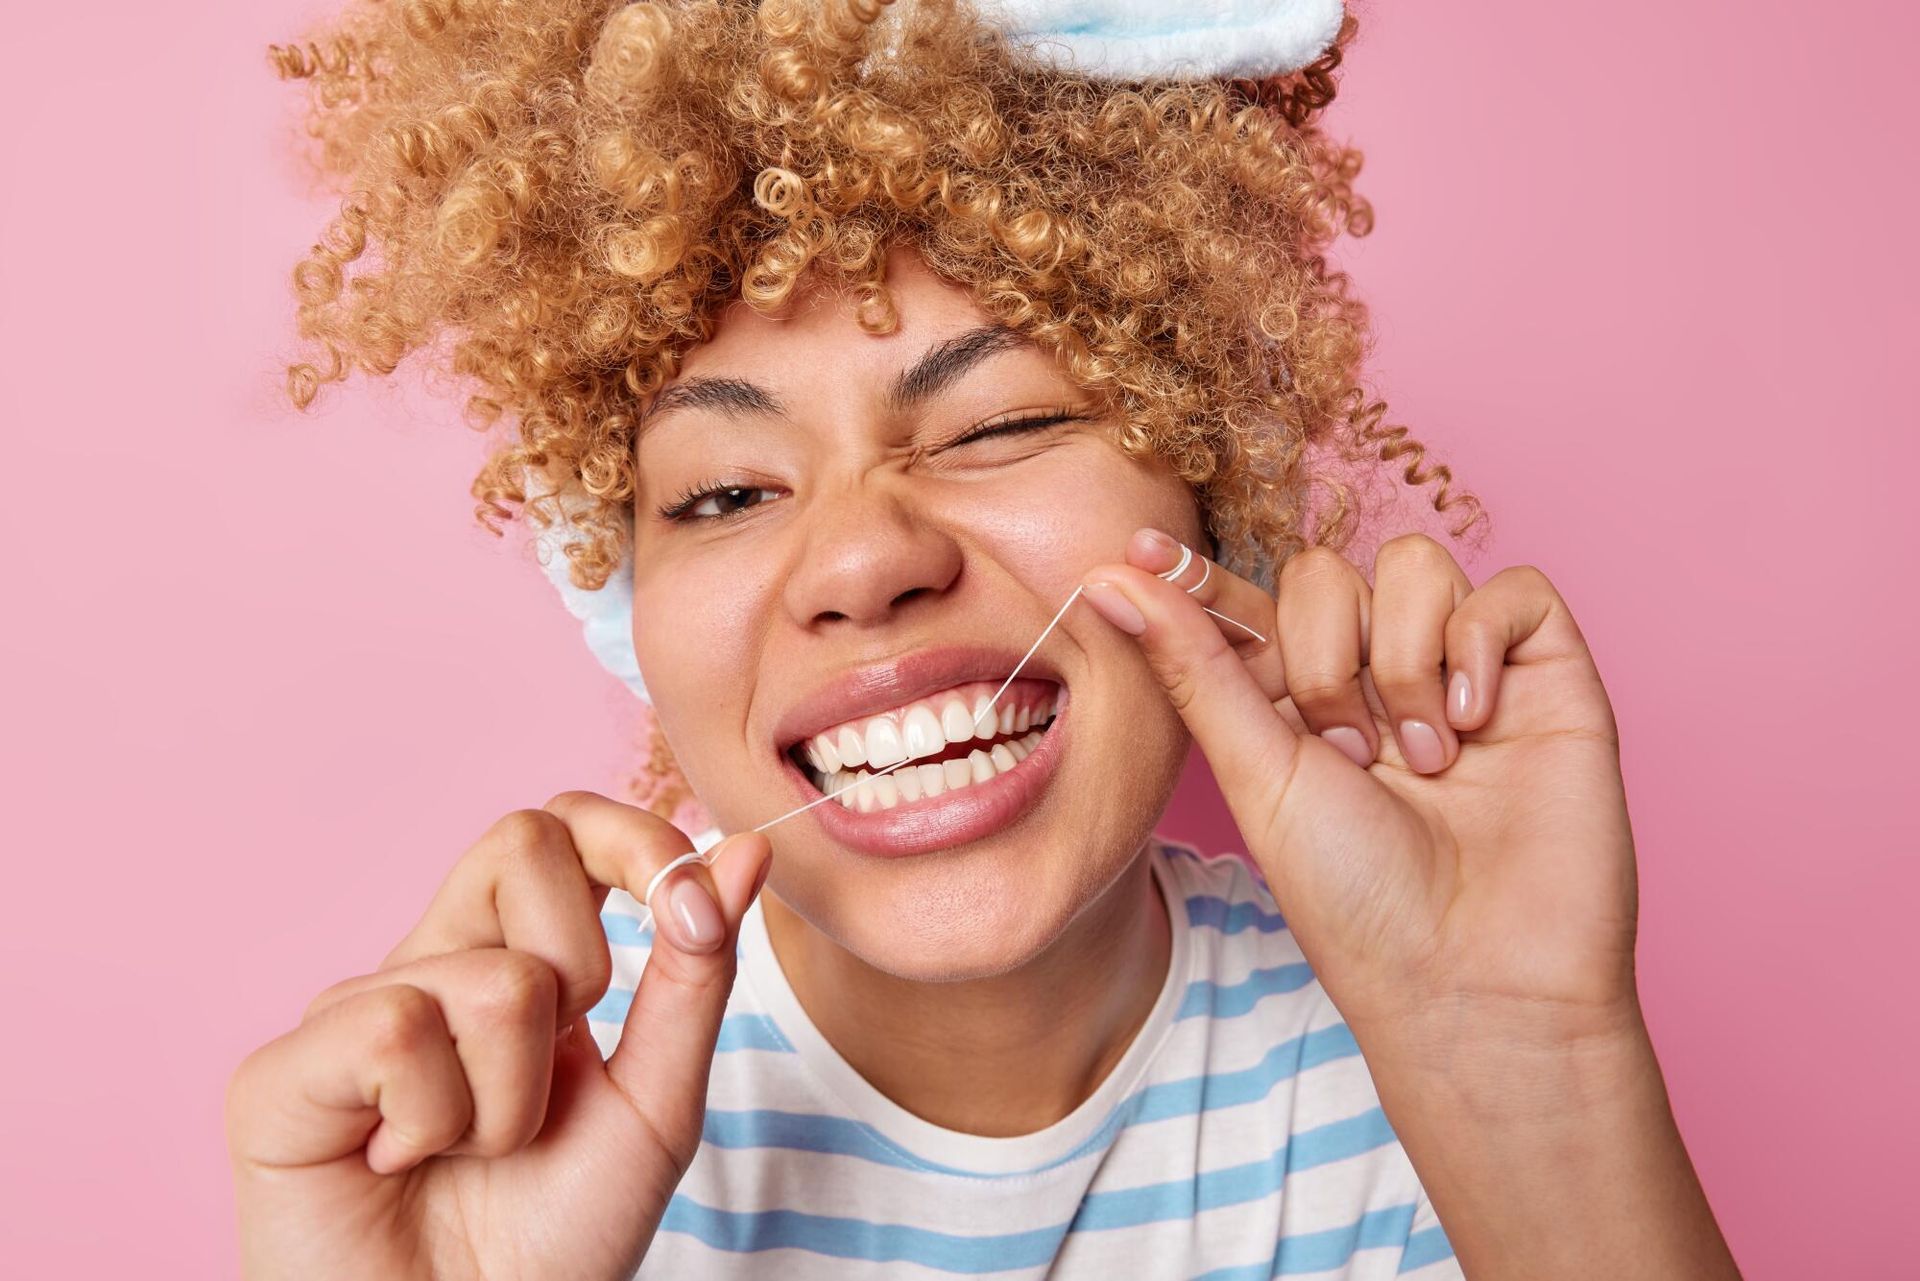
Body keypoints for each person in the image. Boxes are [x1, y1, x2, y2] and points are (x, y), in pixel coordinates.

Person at [227, 1, 1742, 1276]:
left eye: (1003, 420)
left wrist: (1529, 1070)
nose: (868, 556)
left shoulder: (1418, 1066)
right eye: (728, 489)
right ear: (627, 597)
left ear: (1216, 498)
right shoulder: (503, 1119)